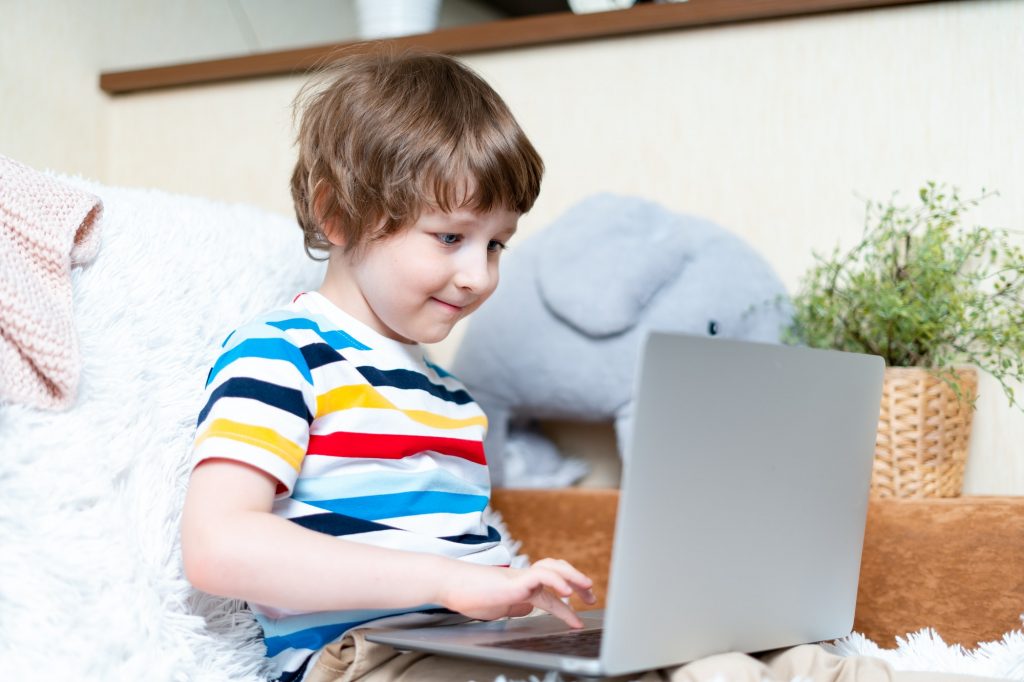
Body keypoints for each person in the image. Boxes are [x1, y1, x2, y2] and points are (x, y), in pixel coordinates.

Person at [179, 50, 596, 682]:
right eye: (450, 237)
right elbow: (218, 545)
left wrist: (513, 588)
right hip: (367, 658)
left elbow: (462, 557)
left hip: (477, 648)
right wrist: (449, 582)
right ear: (339, 215)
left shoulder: (452, 399)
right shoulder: (284, 353)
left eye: (496, 244)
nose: (479, 276)